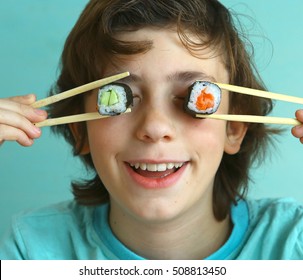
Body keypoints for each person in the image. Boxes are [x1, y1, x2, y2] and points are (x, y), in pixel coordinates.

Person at [0, 0, 303, 260]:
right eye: (116, 96)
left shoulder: (292, 245)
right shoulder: (32, 251)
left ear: (234, 128)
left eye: (193, 96)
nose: (155, 127)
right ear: (80, 129)